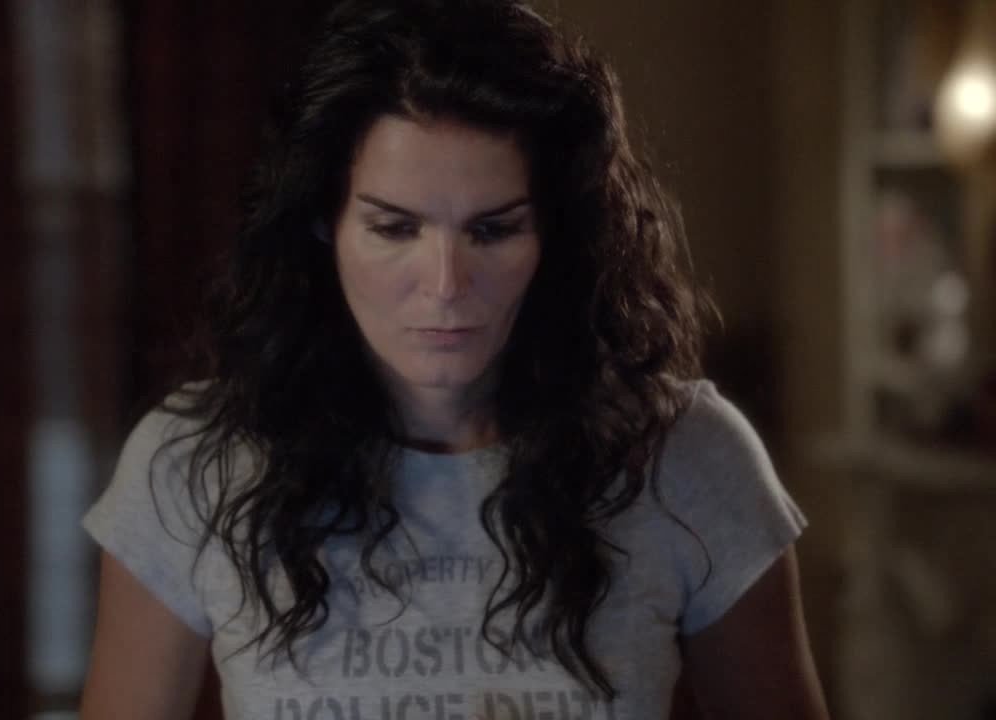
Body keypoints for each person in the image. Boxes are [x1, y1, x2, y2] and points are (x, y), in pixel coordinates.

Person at [80, 0, 830, 718]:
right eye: (394, 228)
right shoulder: (195, 465)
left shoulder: (684, 456)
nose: (445, 284)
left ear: (556, 235)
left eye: (493, 230)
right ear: (325, 225)